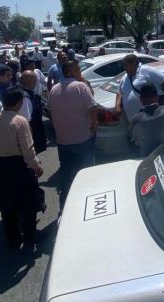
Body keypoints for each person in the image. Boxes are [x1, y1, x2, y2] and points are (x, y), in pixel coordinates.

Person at [0, 86, 44, 248]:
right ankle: (30, 236)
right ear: (18, 103)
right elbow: (28, 148)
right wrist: (36, 165)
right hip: (20, 166)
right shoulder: (20, 121)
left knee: (8, 204)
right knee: (28, 203)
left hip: (3, 166)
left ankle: (12, 238)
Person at [47, 60, 98, 208]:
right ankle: (87, 203)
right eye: (77, 70)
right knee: (86, 172)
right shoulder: (80, 87)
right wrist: (94, 125)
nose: (80, 73)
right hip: (82, 139)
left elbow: (50, 111)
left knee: (67, 173)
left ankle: (66, 205)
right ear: (70, 72)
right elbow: (93, 107)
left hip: (63, 141)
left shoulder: (54, 89)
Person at [115, 54, 164, 123]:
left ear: (135, 64)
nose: (125, 68)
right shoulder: (125, 76)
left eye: (127, 66)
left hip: (151, 117)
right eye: (124, 66)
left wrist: (163, 94)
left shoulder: (145, 70)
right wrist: (117, 106)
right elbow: (119, 91)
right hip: (133, 121)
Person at [130, 83, 164, 156]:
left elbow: (134, 141)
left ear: (141, 99)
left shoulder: (136, 120)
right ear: (157, 97)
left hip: (147, 159)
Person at [20, 70, 47, 154]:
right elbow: (26, 123)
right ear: (31, 81)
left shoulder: (29, 93)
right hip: (32, 136)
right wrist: (30, 145)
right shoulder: (25, 98)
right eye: (36, 80)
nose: (37, 82)